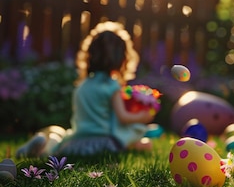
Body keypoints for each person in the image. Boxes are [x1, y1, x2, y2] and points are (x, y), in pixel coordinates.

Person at [16, 21, 154, 157]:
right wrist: (143, 117)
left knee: (57, 132)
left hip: (76, 144)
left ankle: (44, 146)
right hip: (103, 145)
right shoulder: (112, 86)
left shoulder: (82, 86)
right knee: (144, 143)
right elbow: (123, 117)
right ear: (122, 59)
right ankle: (45, 149)